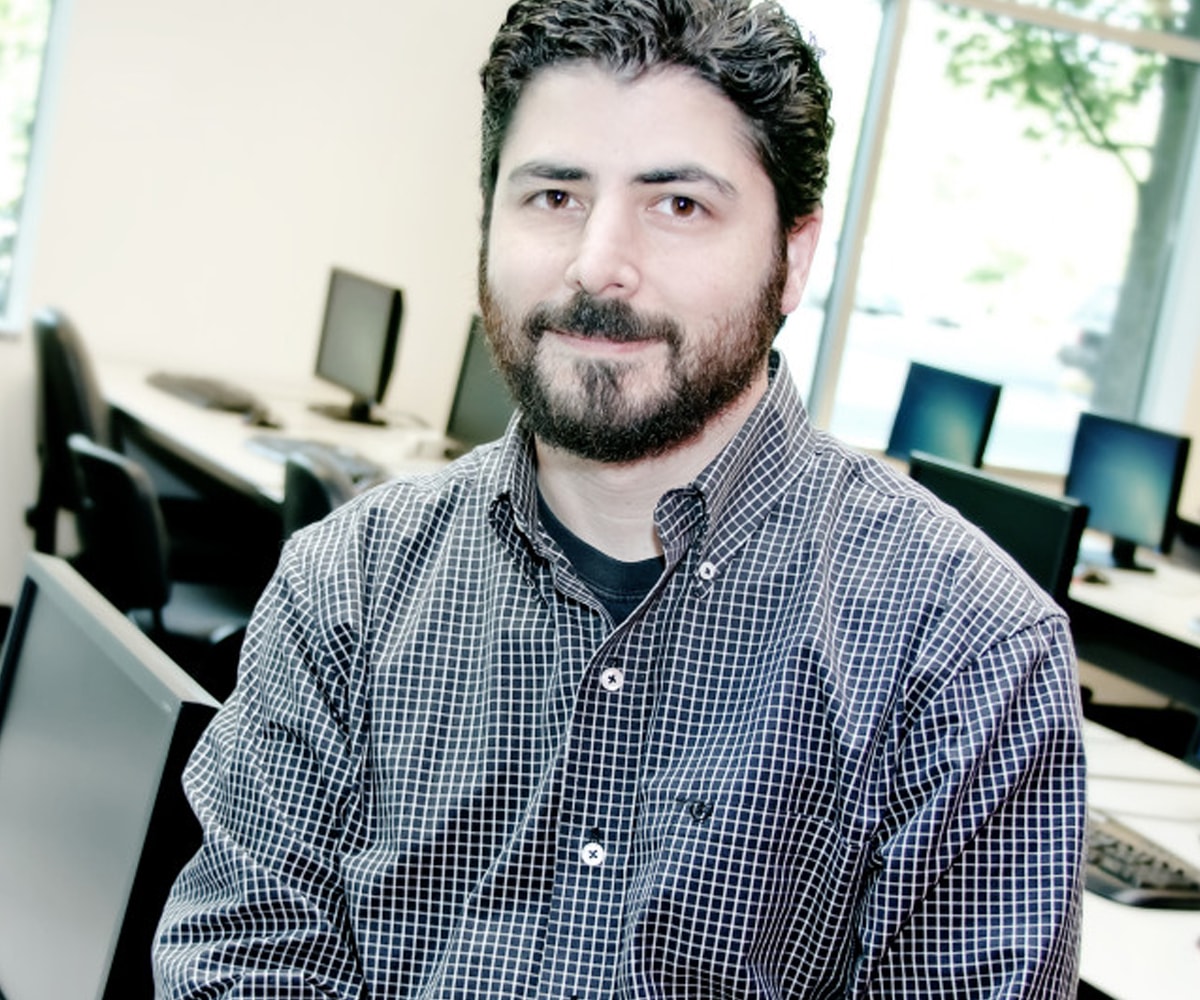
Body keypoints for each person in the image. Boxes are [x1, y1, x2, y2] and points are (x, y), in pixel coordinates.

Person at [154, 1, 1087, 997]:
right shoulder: (347, 581)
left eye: (677, 204)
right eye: (553, 195)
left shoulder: (972, 655)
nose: (599, 262)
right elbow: (237, 961)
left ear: (795, 259)